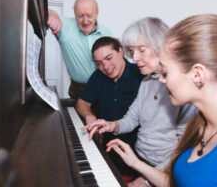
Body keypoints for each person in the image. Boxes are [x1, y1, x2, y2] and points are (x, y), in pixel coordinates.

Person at [105, 14, 217, 187]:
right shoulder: (201, 122)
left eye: (165, 72)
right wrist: (136, 164)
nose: (162, 80)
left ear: (197, 75)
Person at [82, 17, 197, 186]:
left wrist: (146, 180)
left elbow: (184, 150)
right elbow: (131, 119)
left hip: (163, 168)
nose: (134, 58)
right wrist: (111, 125)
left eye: (141, 50)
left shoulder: (184, 89)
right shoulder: (146, 81)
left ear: (161, 46)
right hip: (137, 158)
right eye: (132, 51)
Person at [76, 36, 144, 175]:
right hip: (107, 147)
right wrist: (90, 116)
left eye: (108, 58)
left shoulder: (141, 74)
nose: (105, 67)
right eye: (99, 63)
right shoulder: (97, 76)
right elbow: (81, 104)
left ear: (121, 51)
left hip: (137, 151)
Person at [47, 0, 112, 99]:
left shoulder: (107, 33)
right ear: (74, 14)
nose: (85, 21)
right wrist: (51, 16)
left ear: (97, 13)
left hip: (105, 87)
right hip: (79, 91)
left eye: (89, 15)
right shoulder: (65, 27)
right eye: (80, 16)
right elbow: (46, 11)